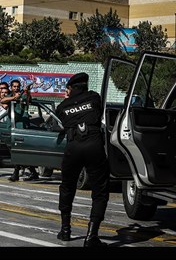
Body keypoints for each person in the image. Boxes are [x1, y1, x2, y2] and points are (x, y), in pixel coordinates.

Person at [54, 72, 110, 247]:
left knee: (67, 187)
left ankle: (65, 231)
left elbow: (62, 121)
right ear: (85, 86)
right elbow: (98, 113)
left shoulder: (62, 106)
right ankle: (91, 236)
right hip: (94, 145)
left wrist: (68, 99)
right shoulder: (94, 98)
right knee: (99, 191)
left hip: (74, 147)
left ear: (70, 89)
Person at [1, 79, 39, 182]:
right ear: (11, 87)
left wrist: (27, 91)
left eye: (18, 86)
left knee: (21, 151)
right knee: (14, 151)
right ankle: (32, 172)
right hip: (12, 127)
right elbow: (2, 101)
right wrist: (14, 98)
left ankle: (17, 173)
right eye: (14, 86)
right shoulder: (9, 95)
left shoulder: (23, 95)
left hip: (22, 127)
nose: (16, 88)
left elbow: (28, 100)